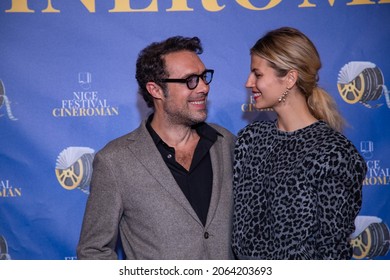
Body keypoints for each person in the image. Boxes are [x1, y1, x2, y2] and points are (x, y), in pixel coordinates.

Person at [77, 36, 235, 260]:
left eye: (203, 76)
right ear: (156, 90)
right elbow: (93, 251)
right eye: (190, 80)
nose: (204, 87)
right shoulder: (115, 161)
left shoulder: (227, 143)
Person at [232, 27, 367, 260]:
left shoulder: (333, 154)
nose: (248, 82)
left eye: (258, 74)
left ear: (290, 78)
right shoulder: (250, 139)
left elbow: (332, 252)